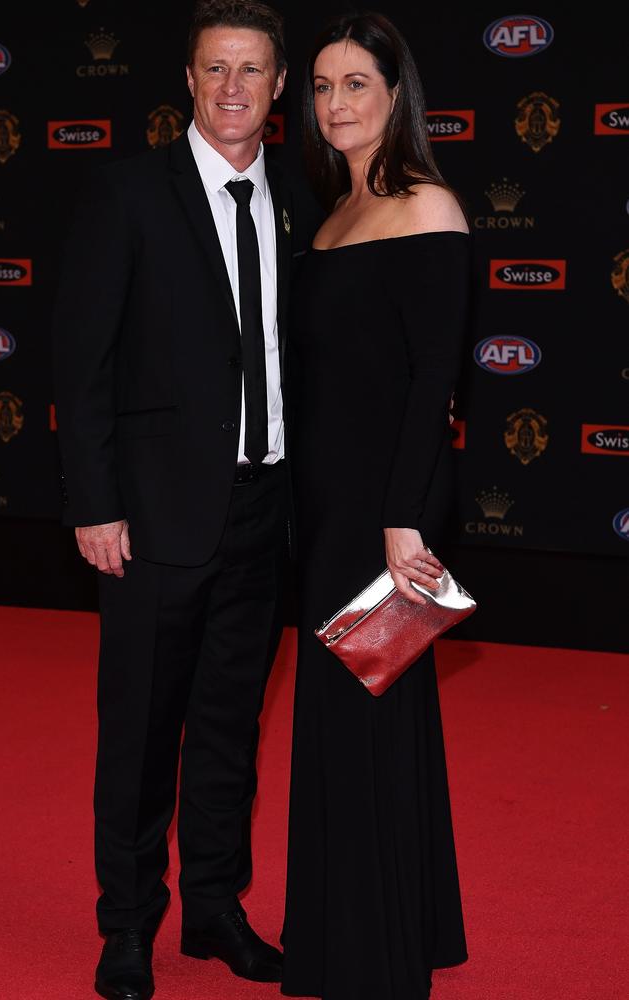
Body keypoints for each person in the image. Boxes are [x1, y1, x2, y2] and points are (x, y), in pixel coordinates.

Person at [53, 2, 303, 998]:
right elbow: (82, 363)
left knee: (230, 732)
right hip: (154, 520)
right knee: (142, 736)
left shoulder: (298, 201)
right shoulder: (128, 195)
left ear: (278, 88)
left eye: (251, 70)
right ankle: (126, 929)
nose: (233, 87)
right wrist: (94, 503)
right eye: (215, 69)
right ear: (188, 83)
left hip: (264, 512)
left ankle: (213, 910)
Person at [280, 12, 471, 1000]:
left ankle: (382, 954)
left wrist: (405, 524)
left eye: (355, 83)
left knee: (376, 719)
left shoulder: (427, 208)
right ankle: (329, 937)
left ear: (395, 96)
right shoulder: (325, 212)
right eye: (319, 86)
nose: (334, 103)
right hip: (320, 511)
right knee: (333, 723)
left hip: (382, 517)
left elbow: (431, 382)